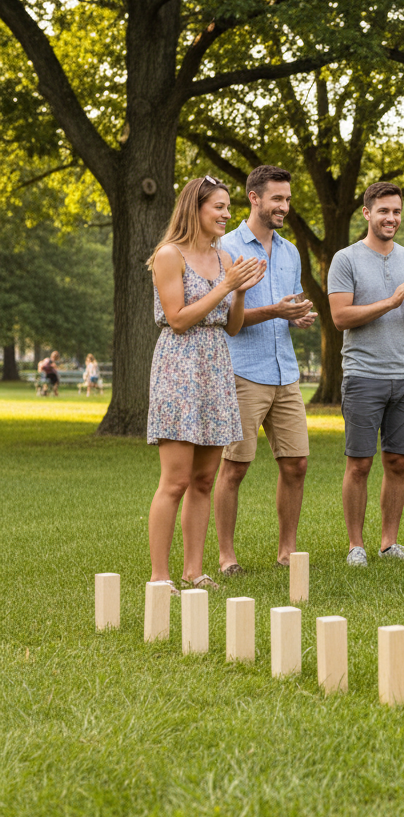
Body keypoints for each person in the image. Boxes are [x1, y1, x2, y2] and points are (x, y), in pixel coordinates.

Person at [146, 176, 265, 594]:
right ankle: (160, 578)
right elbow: (177, 318)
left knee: (203, 480)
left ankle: (194, 571)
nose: (226, 214)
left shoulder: (224, 257)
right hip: (180, 369)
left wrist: (239, 294)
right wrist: (226, 287)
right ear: (194, 208)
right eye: (218, 206)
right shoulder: (168, 255)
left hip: (216, 369)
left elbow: (232, 327)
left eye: (228, 207)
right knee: (175, 480)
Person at [214, 165, 318, 576]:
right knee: (234, 466)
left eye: (288, 200)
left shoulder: (290, 251)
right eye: (277, 199)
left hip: (285, 372)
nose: (284, 206)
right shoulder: (224, 247)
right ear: (254, 198)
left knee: (296, 463)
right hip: (242, 371)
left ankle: (287, 552)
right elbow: (224, 317)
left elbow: (286, 305)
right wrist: (275, 310)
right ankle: (226, 556)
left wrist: (296, 317)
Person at [327, 182, 404, 566]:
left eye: (397, 212)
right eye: (384, 211)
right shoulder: (346, 259)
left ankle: (389, 543)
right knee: (359, 462)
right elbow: (340, 317)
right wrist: (389, 302)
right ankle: (356, 545)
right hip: (363, 375)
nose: (392, 218)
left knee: (398, 462)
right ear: (367, 213)